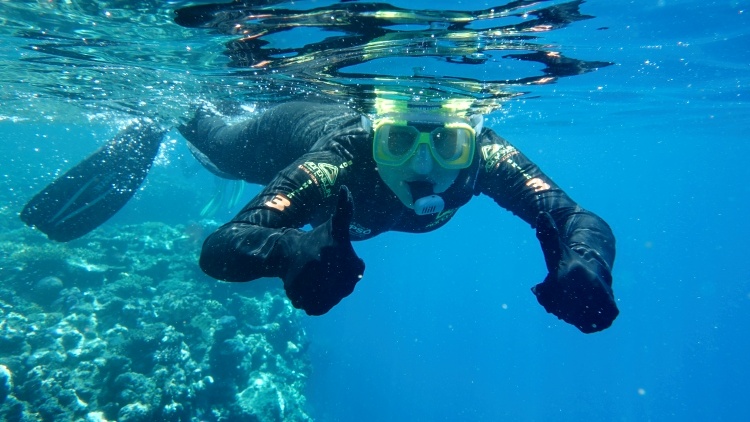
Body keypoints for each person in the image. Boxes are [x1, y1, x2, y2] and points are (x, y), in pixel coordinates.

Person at [175, 101, 619, 333]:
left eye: (447, 145)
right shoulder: (340, 159)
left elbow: (575, 218)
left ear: (471, 142)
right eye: (397, 142)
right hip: (282, 135)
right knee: (217, 145)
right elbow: (221, 245)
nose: (421, 166)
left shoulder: (487, 157)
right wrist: (284, 248)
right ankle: (172, 116)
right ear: (373, 138)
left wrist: (589, 261)